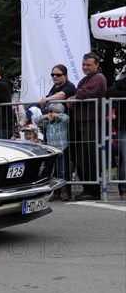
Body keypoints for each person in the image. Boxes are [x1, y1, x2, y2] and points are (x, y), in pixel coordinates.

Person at [68, 52, 107, 201]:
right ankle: (89, 188)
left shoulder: (98, 78)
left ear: (96, 65)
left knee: (89, 156)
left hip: (91, 121)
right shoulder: (86, 78)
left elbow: (83, 94)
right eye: (83, 64)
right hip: (83, 120)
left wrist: (74, 99)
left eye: (88, 65)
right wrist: (74, 99)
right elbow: (79, 94)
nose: (85, 67)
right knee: (81, 157)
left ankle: (93, 189)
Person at [34, 103, 71, 200]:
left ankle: (64, 191)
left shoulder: (63, 122)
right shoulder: (47, 124)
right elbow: (36, 121)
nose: (53, 114)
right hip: (52, 151)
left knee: (62, 171)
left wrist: (57, 115)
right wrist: (45, 116)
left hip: (62, 149)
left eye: (56, 112)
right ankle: (55, 192)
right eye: (51, 112)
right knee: (53, 171)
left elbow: (66, 118)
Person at [105, 75, 126, 200]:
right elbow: (109, 92)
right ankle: (124, 190)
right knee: (125, 160)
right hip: (124, 128)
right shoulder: (121, 82)